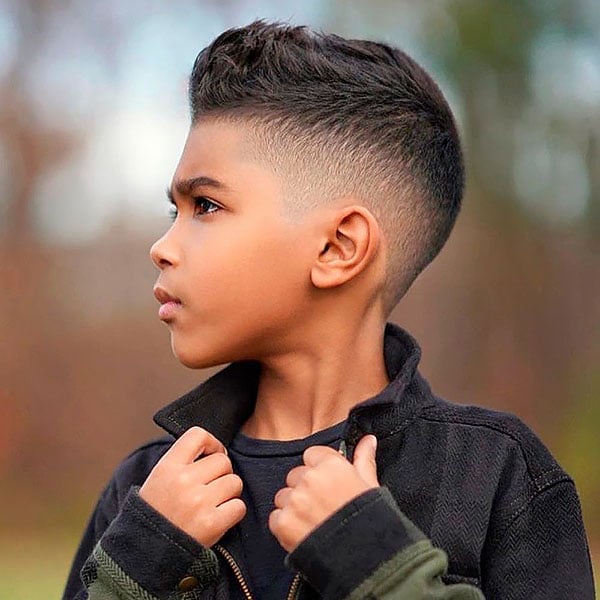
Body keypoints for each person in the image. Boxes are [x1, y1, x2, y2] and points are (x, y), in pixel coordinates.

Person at [62, 21, 595, 600]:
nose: (162, 247)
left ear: (338, 248)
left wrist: (382, 567)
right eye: (176, 210)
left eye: (206, 205)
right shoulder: (144, 494)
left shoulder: (496, 479)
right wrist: (135, 568)